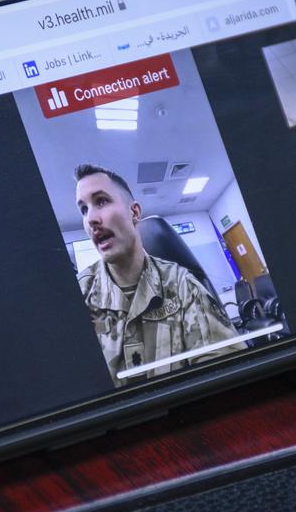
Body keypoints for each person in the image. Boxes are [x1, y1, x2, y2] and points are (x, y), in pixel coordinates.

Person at [74, 164, 245, 387]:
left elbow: (224, 374)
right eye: (84, 209)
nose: (91, 219)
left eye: (101, 201)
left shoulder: (182, 285)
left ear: (134, 212)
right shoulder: (78, 295)